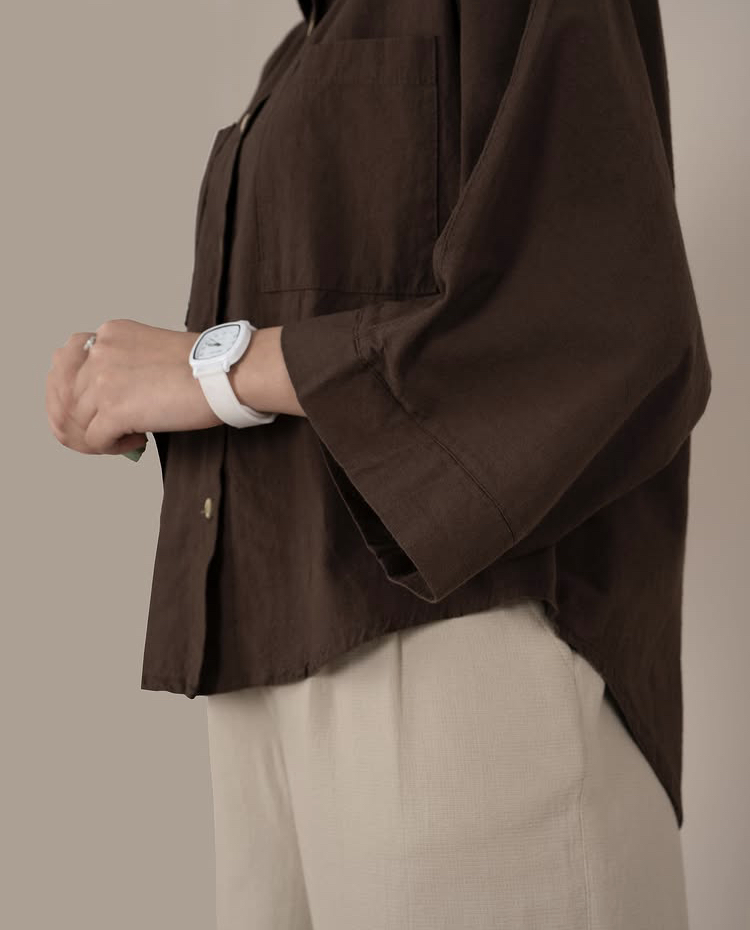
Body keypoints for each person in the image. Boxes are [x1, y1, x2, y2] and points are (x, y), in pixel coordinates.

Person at [46, 0, 712, 927]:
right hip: (259, 678)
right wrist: (126, 391)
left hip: (458, 655)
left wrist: (205, 368)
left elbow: (605, 315)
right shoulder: (295, 54)